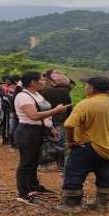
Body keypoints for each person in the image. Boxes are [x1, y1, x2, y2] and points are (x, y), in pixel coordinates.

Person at [55, 77, 109, 213]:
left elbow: (69, 124)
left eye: (86, 85)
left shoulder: (85, 104)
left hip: (88, 146)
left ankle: (72, 205)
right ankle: (101, 204)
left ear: (92, 88)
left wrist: (71, 142)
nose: (85, 88)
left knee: (74, 171)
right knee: (107, 175)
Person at [14, 71, 67, 205]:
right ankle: (23, 194)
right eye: (41, 79)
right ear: (33, 82)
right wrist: (56, 110)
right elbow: (34, 116)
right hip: (28, 131)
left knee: (34, 161)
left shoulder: (36, 94)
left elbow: (44, 115)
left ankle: (33, 185)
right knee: (26, 163)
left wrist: (51, 127)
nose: (44, 82)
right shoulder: (23, 97)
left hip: (39, 130)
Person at [41, 70, 74, 171]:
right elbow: (68, 108)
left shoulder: (44, 90)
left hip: (45, 118)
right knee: (60, 141)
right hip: (60, 119)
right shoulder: (65, 93)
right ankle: (61, 164)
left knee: (46, 141)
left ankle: (43, 164)